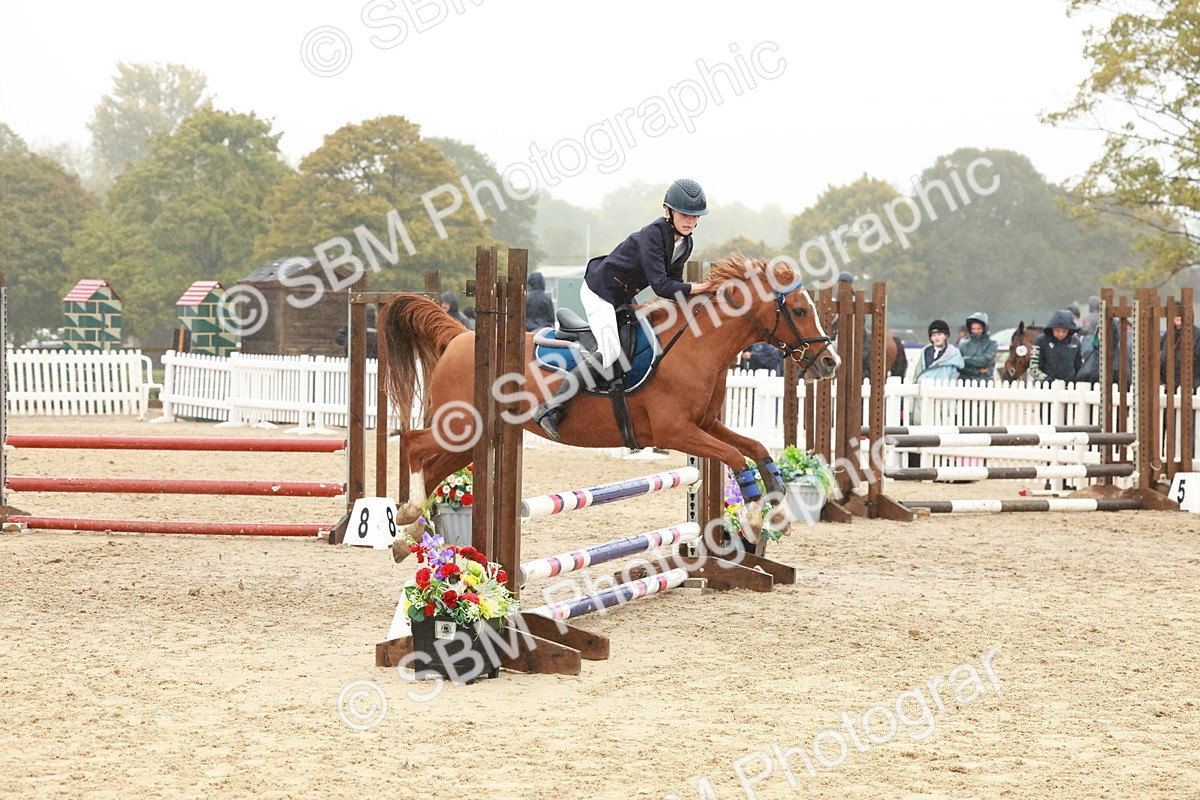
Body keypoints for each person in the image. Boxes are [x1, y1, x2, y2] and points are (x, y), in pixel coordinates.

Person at [533, 178, 715, 440]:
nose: (690, 221)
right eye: (684, 214)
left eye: (695, 216)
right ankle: (551, 408)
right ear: (668, 212)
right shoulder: (654, 235)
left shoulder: (685, 244)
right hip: (600, 291)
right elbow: (662, 286)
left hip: (622, 296)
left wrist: (702, 301)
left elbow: (674, 284)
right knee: (609, 353)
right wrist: (703, 287)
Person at [1029, 309, 1083, 384]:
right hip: (1045, 386)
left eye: (1064, 331)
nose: (1061, 334)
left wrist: (1075, 380)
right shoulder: (1040, 341)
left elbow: (1079, 366)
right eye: (1058, 330)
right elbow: (1033, 368)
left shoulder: (1075, 342)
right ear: (1052, 328)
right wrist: (1046, 379)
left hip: (1069, 387)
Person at [1160, 313, 1200, 391]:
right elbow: (1161, 358)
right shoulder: (1168, 335)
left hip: (1191, 388)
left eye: (1181, 313)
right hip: (1169, 387)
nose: (1178, 316)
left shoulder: (1197, 335)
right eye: (1175, 314)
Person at [957, 312, 997, 382]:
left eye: (979, 328)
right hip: (964, 382)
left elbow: (984, 361)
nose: (976, 331)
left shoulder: (992, 344)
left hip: (984, 382)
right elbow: (958, 364)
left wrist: (964, 360)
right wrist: (977, 371)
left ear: (984, 328)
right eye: (973, 329)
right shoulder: (963, 345)